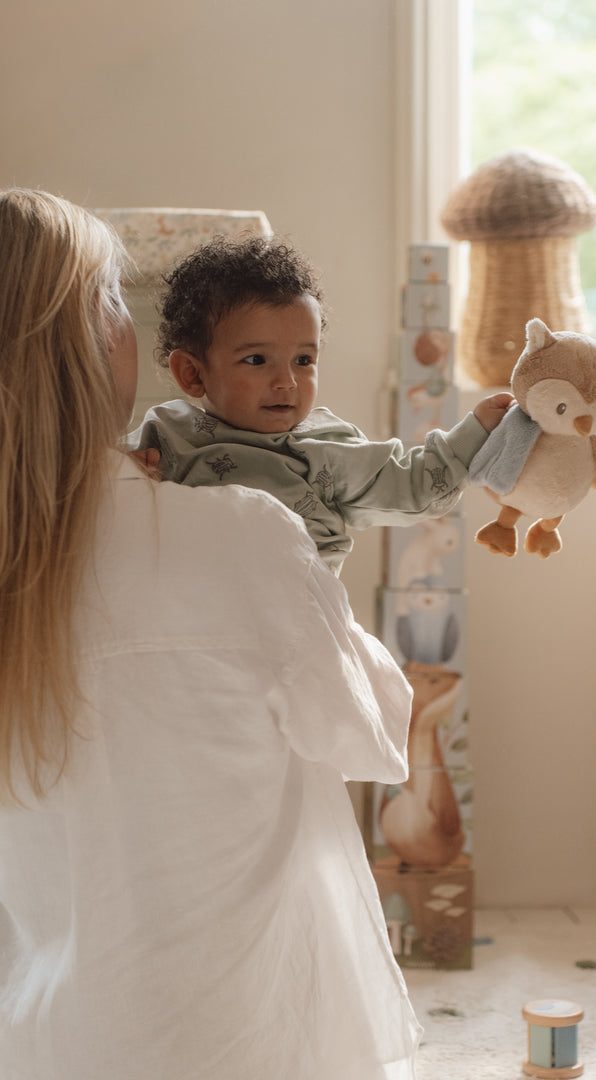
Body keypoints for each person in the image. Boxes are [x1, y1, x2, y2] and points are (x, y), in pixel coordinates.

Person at [0, 189, 421, 1079]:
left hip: (51, 1039)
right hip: (248, 1036)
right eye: (116, 299)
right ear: (89, 340)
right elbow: (371, 734)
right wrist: (321, 598)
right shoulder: (236, 531)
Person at [127, 235, 514, 573]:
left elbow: (416, 485)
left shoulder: (327, 447)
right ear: (193, 374)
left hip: (300, 618)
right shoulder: (165, 435)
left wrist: (476, 429)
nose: (287, 382)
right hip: (200, 616)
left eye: (304, 360)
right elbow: (94, 490)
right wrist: (126, 475)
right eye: (257, 360)